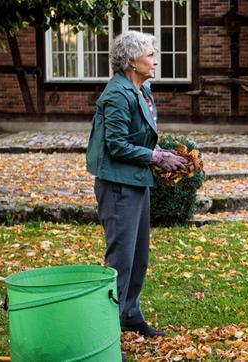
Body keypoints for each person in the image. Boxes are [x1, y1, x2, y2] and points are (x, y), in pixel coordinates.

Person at [86, 30, 186, 340]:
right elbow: (116, 144)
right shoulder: (117, 94)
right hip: (117, 186)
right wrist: (156, 158)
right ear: (131, 61)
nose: (155, 59)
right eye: (150, 55)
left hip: (135, 181)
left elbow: (140, 137)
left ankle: (130, 314)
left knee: (139, 256)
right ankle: (106, 331)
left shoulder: (141, 89)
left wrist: (162, 154)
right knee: (121, 260)